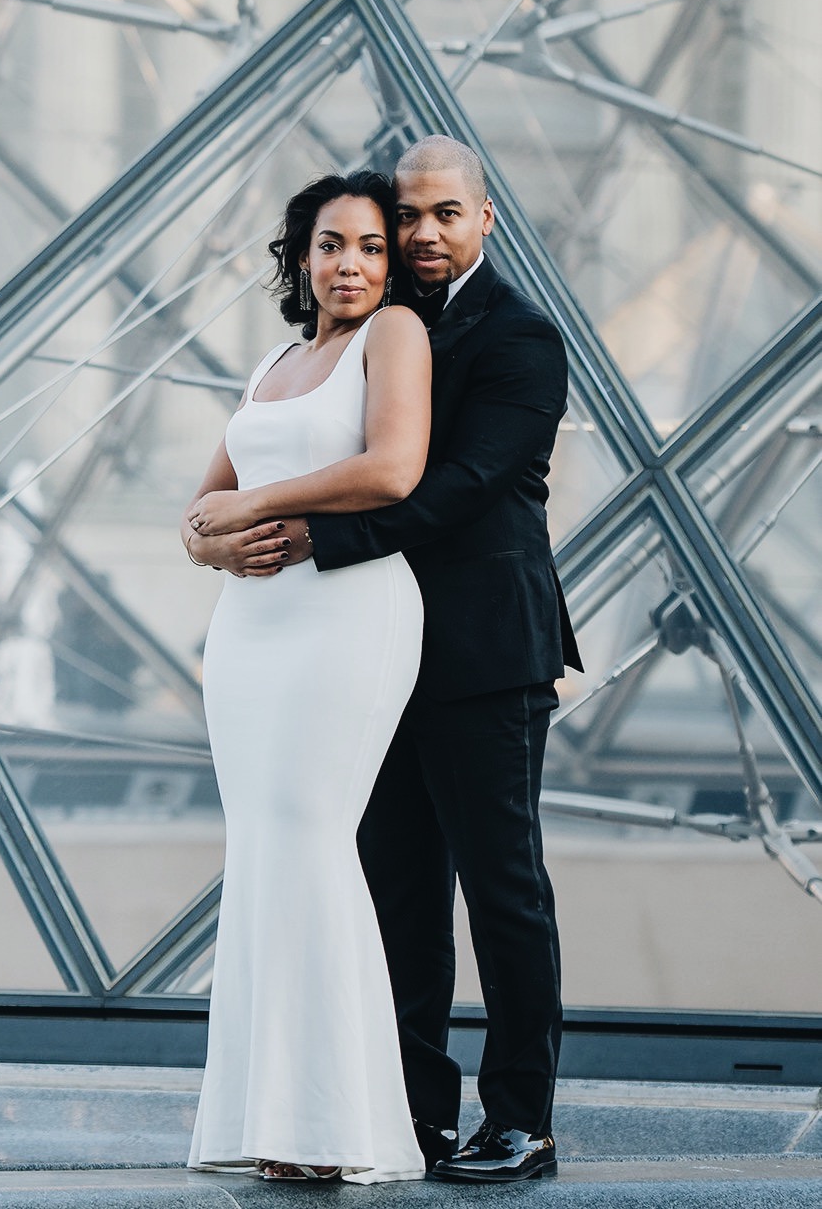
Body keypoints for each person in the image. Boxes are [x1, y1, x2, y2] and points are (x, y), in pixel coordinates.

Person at [189, 136, 581, 1184]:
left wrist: (310, 539)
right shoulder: (370, 327)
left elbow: (457, 485)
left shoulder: (522, 338)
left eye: (442, 214)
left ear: (485, 218)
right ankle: (407, 1109)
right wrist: (225, 536)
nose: (420, 233)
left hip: (478, 648)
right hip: (360, 645)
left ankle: (521, 1119)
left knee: (502, 889)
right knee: (397, 888)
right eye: (406, 215)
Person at [178, 170, 431, 1183]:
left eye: (371, 246)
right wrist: (217, 544)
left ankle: (336, 1126)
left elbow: (393, 465)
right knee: (264, 848)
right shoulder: (275, 360)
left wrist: (256, 503)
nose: (352, 264)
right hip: (250, 625)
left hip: (347, 614)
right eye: (332, 244)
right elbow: (199, 510)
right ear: (301, 256)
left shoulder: (394, 337)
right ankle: (272, 1117)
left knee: (312, 835)